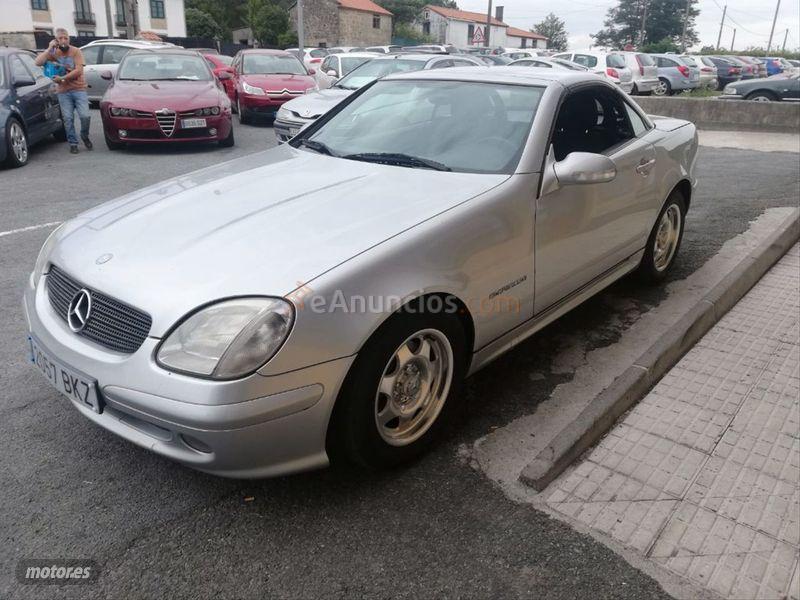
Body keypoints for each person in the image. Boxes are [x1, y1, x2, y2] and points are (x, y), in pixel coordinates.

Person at [35, 28, 92, 154]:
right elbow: (37, 62)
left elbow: (79, 71)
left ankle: (84, 135)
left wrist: (62, 78)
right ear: (56, 40)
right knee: (68, 118)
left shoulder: (76, 51)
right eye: (60, 38)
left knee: (85, 116)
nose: (63, 40)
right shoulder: (54, 52)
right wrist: (49, 48)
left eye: (65, 38)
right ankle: (73, 143)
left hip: (78, 88)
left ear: (69, 38)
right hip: (63, 92)